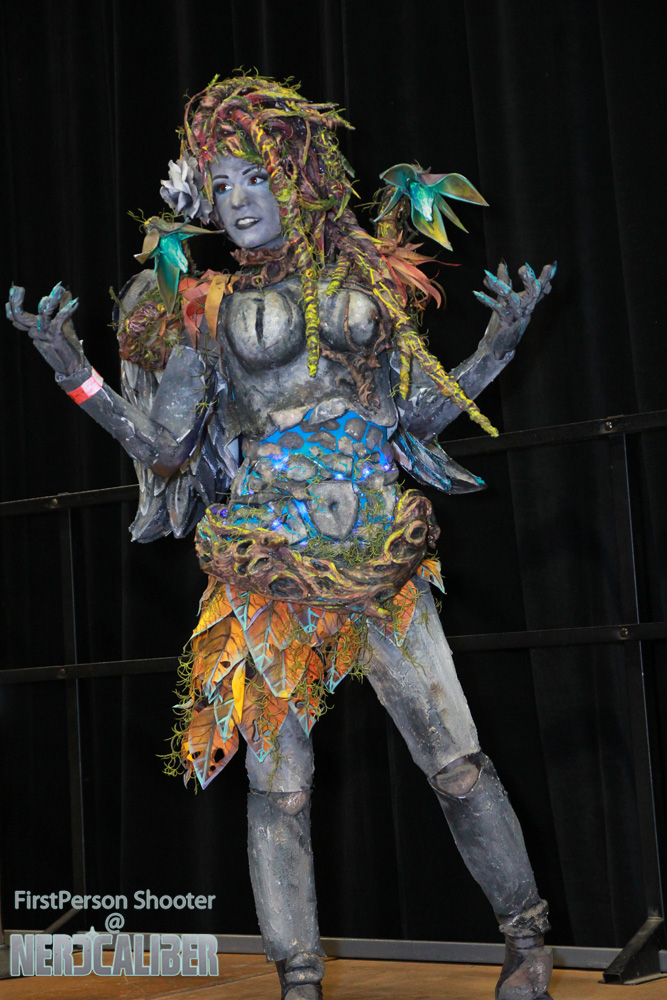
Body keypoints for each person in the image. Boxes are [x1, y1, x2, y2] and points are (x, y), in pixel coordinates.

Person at [6, 75, 556, 1000]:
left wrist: (496, 345)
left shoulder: (364, 283)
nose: (237, 201)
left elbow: (416, 418)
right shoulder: (203, 307)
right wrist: (73, 371)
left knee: (455, 759)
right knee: (279, 782)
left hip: (376, 551)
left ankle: (526, 937)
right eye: (220, 186)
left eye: (254, 177)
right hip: (265, 563)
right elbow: (166, 448)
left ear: (296, 176)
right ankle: (297, 976)